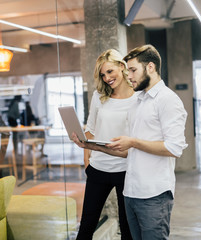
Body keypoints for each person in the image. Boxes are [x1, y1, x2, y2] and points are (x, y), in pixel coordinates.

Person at [72, 45, 188, 240]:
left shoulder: (154, 99)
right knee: (94, 226)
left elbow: (172, 147)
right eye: (103, 74)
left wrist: (133, 142)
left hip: (141, 182)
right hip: (122, 180)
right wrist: (88, 153)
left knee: (134, 232)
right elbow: (115, 142)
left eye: (132, 69)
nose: (108, 77)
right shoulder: (137, 100)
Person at [76, 49, 135, 240]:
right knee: (86, 226)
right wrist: (87, 163)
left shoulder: (138, 97)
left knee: (127, 228)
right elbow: (90, 129)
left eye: (110, 71)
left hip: (126, 170)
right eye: (103, 74)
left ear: (121, 66)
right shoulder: (99, 96)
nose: (107, 78)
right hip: (98, 168)